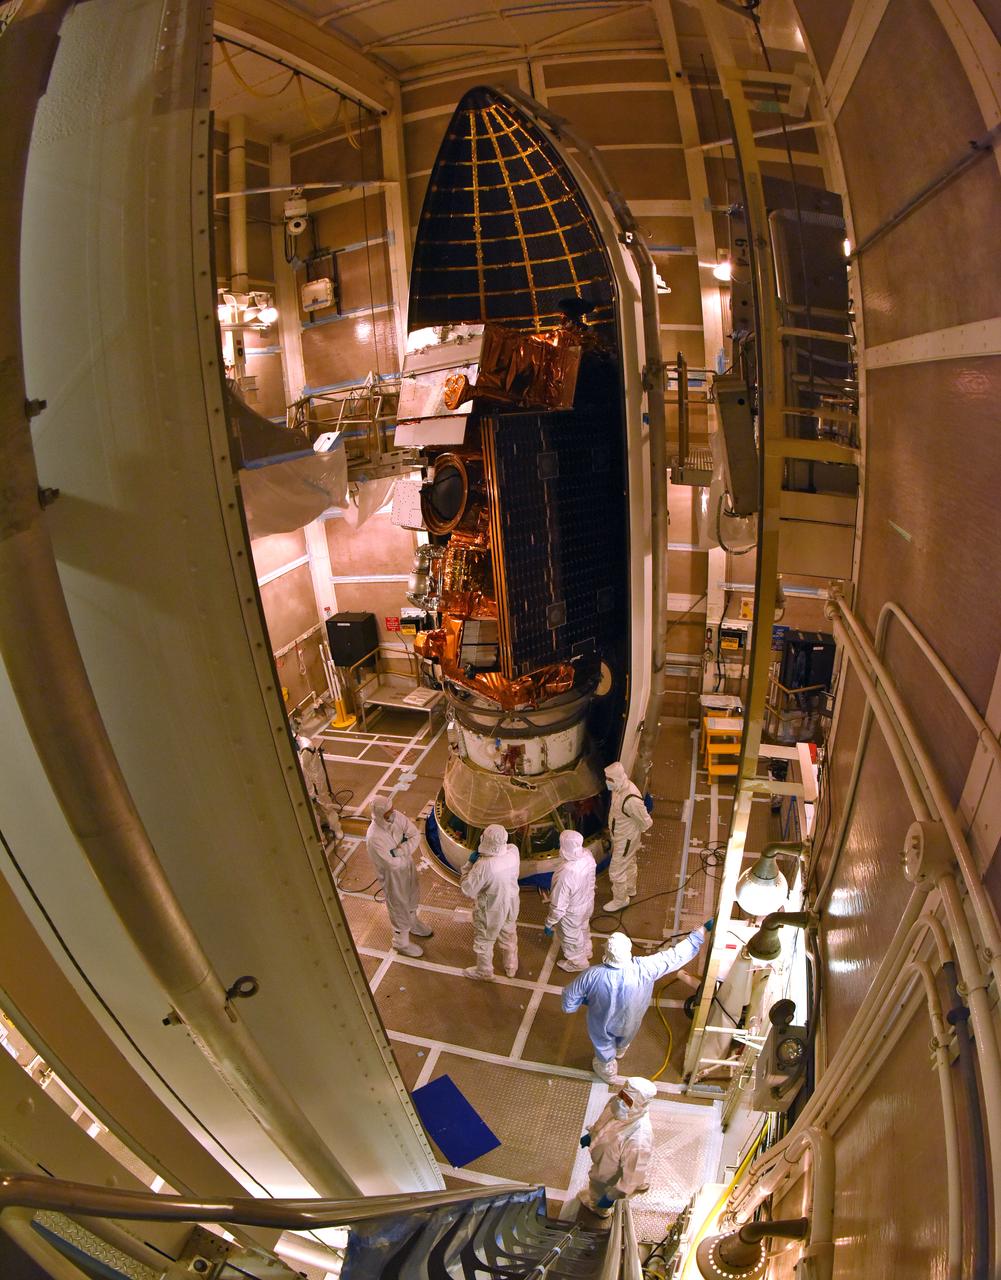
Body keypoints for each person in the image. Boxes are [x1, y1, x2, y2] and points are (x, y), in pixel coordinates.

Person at [562, 924, 712, 1081]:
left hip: (602, 1022)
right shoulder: (645, 968)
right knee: (626, 1035)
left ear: (607, 952)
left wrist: (573, 1005)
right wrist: (700, 932)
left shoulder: (592, 975)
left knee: (603, 1042)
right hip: (631, 1020)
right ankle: (620, 1050)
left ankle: (607, 1070)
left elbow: (570, 996)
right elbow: (676, 955)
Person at [578, 1076, 658, 1217]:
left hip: (608, 1173)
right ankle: (635, 1188)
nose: (621, 1101)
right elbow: (604, 1121)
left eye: (627, 1100)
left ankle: (599, 1208)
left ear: (641, 1105)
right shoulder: (617, 1103)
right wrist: (591, 1135)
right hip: (607, 1158)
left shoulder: (639, 1141)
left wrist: (610, 1197)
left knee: (600, 1187)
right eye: (622, 1095)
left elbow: (632, 1175)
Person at [365, 798, 434, 958]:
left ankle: (413, 923)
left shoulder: (396, 817)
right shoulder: (374, 837)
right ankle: (400, 942)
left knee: (412, 895)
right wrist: (405, 849)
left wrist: (400, 850)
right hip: (392, 877)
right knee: (398, 904)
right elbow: (390, 864)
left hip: (406, 866)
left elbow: (415, 835)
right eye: (388, 813)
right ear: (380, 815)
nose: (393, 814)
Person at [460, 824, 520, 981]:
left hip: (492, 908)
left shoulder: (484, 865)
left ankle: (484, 971)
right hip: (512, 903)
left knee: (484, 940)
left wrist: (468, 866)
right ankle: (511, 966)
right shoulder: (513, 851)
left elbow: (468, 889)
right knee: (509, 933)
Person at [602, 761, 653, 911]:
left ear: (617, 779)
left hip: (626, 840)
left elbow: (646, 822)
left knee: (616, 871)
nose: (607, 782)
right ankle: (630, 888)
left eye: (609, 779)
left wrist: (631, 834)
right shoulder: (618, 789)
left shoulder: (631, 799)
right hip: (622, 837)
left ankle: (620, 900)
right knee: (629, 862)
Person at [544, 830, 596, 972]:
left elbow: (558, 904)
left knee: (571, 937)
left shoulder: (566, 873)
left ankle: (578, 963)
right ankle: (586, 950)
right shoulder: (587, 856)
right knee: (583, 927)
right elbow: (592, 881)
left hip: (572, 911)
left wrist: (550, 922)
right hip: (587, 902)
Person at [296, 735, 343, 843]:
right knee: (313, 813)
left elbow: (302, 768)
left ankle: (336, 827)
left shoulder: (306, 746)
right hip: (307, 784)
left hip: (316, 782)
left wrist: (312, 794)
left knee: (326, 805)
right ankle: (321, 837)